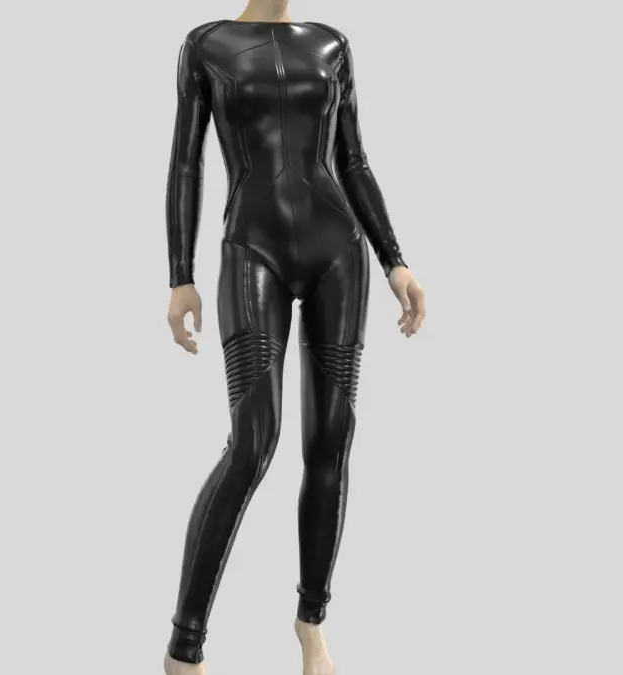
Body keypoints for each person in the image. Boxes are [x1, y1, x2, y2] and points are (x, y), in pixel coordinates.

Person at [162, 2, 426, 673]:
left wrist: (395, 260)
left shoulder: (332, 44)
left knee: (331, 440)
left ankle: (312, 622)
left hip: (340, 252)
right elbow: (186, 163)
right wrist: (180, 276)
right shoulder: (207, 44)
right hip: (252, 249)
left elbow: (354, 160)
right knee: (253, 443)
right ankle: (184, 646)